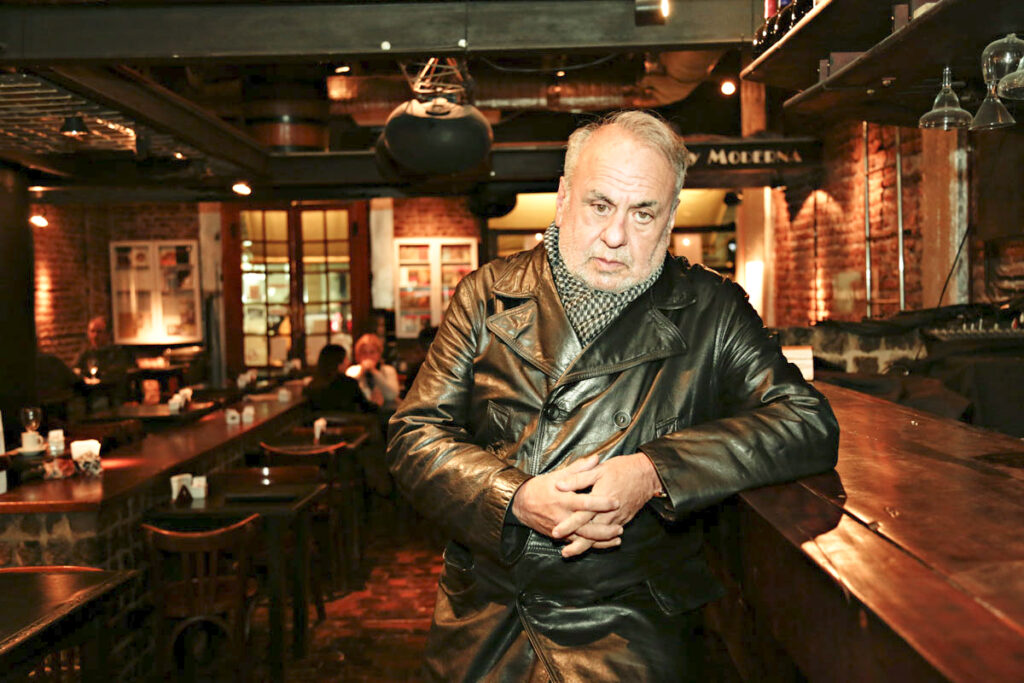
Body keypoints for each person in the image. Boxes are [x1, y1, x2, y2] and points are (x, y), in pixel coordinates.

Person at [387, 110, 840, 681]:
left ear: (670, 216)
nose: (616, 235)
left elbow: (806, 421)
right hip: (487, 612)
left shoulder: (711, 309)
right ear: (563, 197)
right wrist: (515, 497)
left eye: (642, 213)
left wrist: (653, 471)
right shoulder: (486, 295)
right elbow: (414, 436)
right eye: (599, 205)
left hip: (631, 620)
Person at [304, 344, 377, 414]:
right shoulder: (350, 384)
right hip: (350, 423)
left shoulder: (312, 386)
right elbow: (366, 409)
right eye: (346, 359)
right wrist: (377, 404)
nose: (348, 362)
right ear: (339, 364)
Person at [346, 333, 400, 411]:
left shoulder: (388, 370)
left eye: (372, 352)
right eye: (364, 352)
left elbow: (392, 395)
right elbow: (349, 393)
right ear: (358, 355)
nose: (368, 356)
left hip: (386, 412)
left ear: (379, 354)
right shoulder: (352, 371)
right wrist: (361, 373)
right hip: (360, 413)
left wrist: (374, 372)